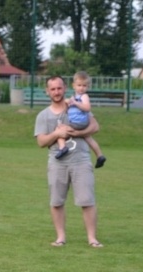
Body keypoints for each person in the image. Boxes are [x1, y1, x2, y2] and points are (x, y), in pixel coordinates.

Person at [35, 75, 103, 248]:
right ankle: (60, 237)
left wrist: (76, 133)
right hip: (57, 163)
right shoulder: (43, 115)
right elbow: (41, 142)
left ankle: (92, 238)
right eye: (53, 89)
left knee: (87, 200)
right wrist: (57, 135)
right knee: (56, 202)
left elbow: (95, 126)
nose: (56, 92)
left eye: (59, 88)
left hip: (81, 161)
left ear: (65, 88)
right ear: (47, 92)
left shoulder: (76, 106)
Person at [54, 71, 106, 168]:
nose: (81, 88)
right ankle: (100, 156)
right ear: (74, 85)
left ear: (87, 87)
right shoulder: (74, 97)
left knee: (60, 131)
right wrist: (67, 103)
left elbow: (87, 108)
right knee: (88, 138)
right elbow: (67, 109)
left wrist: (75, 103)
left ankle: (62, 148)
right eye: (79, 85)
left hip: (78, 123)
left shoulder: (84, 96)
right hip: (79, 123)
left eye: (84, 86)